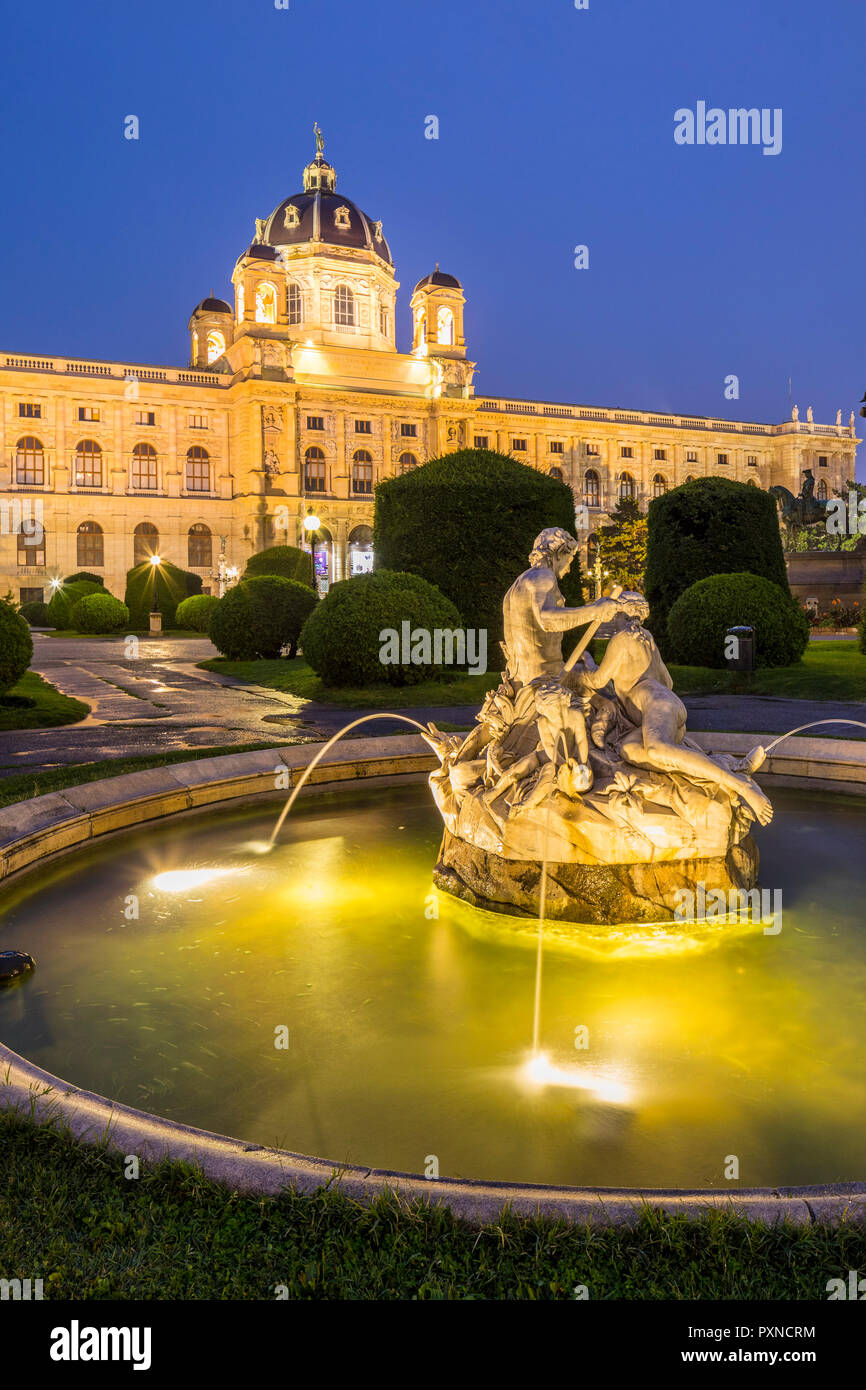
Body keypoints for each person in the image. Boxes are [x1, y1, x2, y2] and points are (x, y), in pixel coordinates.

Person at [580, 614, 773, 825]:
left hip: (658, 705)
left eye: (614, 614)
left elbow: (598, 680)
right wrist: (590, 661)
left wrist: (573, 677)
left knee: (656, 750)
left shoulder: (621, 638)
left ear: (620, 615)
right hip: (665, 707)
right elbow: (668, 681)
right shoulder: (647, 637)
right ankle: (730, 766)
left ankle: (742, 787)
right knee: (630, 749)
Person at [502, 528, 645, 685]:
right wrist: (595, 611)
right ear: (559, 553)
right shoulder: (543, 576)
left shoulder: (519, 582)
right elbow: (546, 620)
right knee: (603, 686)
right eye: (569, 560)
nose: (569, 569)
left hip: (523, 677)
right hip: (545, 678)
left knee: (592, 678)